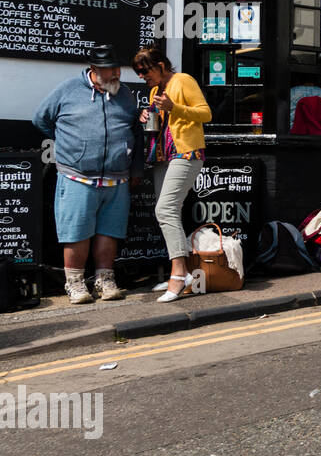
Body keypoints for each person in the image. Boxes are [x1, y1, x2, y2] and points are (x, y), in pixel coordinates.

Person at [32, 44, 143, 304]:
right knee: (77, 233)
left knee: (109, 232)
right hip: (77, 177)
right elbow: (41, 119)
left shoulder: (125, 94)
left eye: (117, 68)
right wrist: (72, 144)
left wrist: (135, 168)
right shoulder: (68, 90)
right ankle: (75, 284)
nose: (115, 74)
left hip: (117, 178)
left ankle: (105, 280)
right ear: (94, 70)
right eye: (109, 70)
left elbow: (136, 132)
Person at [132, 47, 212, 302]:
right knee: (169, 211)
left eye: (146, 72)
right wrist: (147, 115)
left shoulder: (183, 80)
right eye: (140, 73)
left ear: (161, 66)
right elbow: (163, 123)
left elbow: (205, 113)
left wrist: (174, 107)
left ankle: (179, 274)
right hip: (163, 156)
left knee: (164, 210)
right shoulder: (155, 90)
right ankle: (177, 272)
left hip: (186, 154)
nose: (143, 77)